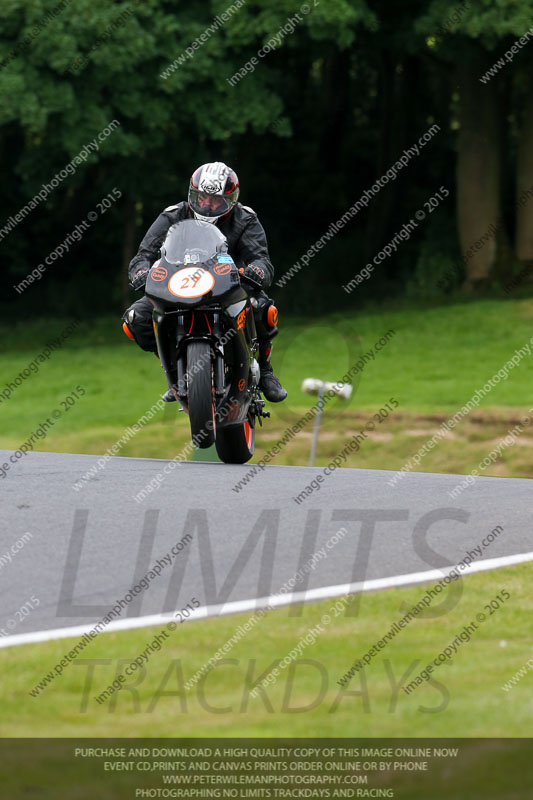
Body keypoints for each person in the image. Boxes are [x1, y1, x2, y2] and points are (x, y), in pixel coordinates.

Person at [123, 161, 287, 403]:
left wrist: (257, 271)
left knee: (263, 308)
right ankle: (175, 370)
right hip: (177, 286)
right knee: (136, 319)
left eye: (216, 200)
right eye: (202, 197)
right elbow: (143, 255)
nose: (208, 204)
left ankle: (265, 371)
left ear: (231, 200)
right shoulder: (172, 215)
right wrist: (141, 272)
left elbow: (261, 258)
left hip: (230, 285)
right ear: (193, 194)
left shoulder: (245, 219)